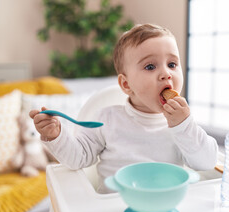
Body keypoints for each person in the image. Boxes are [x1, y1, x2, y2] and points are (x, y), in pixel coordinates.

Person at [30, 23, 218, 193]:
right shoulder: (107, 119)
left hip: (165, 208)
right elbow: (77, 159)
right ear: (126, 84)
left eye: (172, 64)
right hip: (114, 211)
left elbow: (206, 162)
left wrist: (184, 126)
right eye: (150, 66)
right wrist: (55, 135)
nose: (166, 74)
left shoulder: (183, 125)